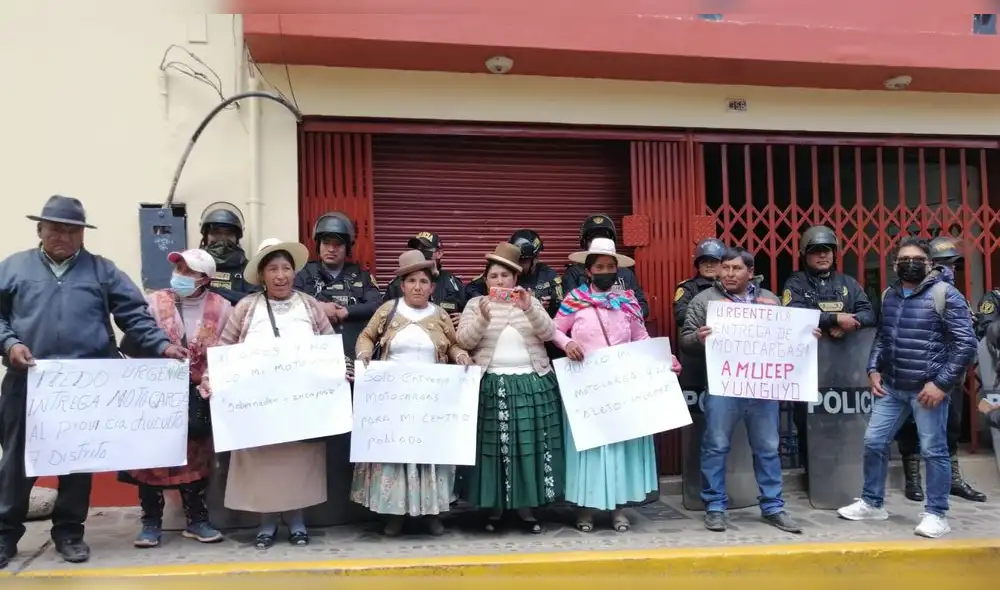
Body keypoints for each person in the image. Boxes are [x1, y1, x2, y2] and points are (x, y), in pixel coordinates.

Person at [0, 196, 187, 569]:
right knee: (17, 463)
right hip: (28, 381)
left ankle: (69, 533)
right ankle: (4, 536)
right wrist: (9, 344)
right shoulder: (13, 268)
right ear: (40, 230)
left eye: (72, 230)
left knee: (77, 462)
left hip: (85, 388)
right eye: (55, 229)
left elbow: (134, 314)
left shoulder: (102, 271)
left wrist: (162, 345)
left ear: (83, 234)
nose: (63, 236)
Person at [200, 238, 350, 550]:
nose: (280, 275)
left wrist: (343, 369)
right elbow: (225, 348)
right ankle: (266, 523)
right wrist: (210, 378)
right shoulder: (246, 307)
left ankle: (297, 522)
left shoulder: (309, 306)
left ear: (294, 272)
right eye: (273, 269)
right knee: (262, 465)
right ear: (262, 275)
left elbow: (329, 346)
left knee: (298, 463)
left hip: (301, 405)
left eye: (286, 268)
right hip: (259, 406)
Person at [838, 236, 977, 539]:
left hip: (927, 390)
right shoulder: (890, 294)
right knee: (874, 441)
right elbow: (883, 337)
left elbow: (966, 345)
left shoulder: (945, 294)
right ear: (895, 264)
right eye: (903, 260)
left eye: (916, 259)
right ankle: (872, 503)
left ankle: (937, 514)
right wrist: (873, 368)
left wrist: (941, 384)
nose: (909, 264)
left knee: (934, 451)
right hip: (893, 387)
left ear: (929, 263)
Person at [680, 247, 809, 534]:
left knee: (768, 448)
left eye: (736, 268)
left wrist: (805, 335)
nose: (728, 274)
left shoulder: (770, 300)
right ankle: (715, 507)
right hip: (723, 386)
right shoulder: (705, 301)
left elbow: (787, 337)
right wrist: (697, 338)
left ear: (750, 272)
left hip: (762, 388)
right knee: (715, 446)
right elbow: (685, 340)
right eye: (724, 268)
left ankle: (773, 506)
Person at [552, 238, 678, 533]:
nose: (605, 271)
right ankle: (586, 509)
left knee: (621, 447)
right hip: (587, 387)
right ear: (589, 271)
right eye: (599, 267)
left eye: (610, 266)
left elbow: (641, 338)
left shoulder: (628, 303)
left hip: (621, 387)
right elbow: (553, 329)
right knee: (590, 448)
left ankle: (619, 509)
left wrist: (664, 358)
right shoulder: (574, 300)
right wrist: (567, 343)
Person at [352, 250, 474, 536]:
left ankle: (431, 514)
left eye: (423, 281)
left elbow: (454, 344)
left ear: (432, 287)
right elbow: (367, 336)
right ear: (402, 285)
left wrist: (460, 356)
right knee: (397, 454)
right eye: (411, 281)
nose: (417, 287)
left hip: (430, 402)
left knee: (429, 454)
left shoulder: (440, 314)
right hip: (394, 402)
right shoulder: (388, 310)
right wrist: (364, 354)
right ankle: (395, 515)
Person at [118, 249, 231, 548]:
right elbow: (135, 339)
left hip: (196, 394)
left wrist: (212, 378)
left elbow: (229, 350)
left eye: (189, 271)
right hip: (155, 393)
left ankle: (196, 519)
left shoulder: (222, 308)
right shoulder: (154, 302)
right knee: (150, 457)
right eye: (179, 269)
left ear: (205, 278)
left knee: (195, 457)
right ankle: (150, 521)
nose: (181, 275)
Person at [456, 243, 562, 534]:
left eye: (505, 275)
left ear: (515, 278)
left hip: (531, 382)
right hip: (491, 383)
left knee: (527, 449)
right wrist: (483, 318)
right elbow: (463, 341)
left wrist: (529, 308)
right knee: (495, 450)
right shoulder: (476, 304)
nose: (500, 281)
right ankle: (495, 508)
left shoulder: (530, 301)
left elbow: (549, 333)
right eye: (494, 276)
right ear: (486, 280)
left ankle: (526, 508)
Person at [894, 236, 985, 503]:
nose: (949, 270)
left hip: (949, 374)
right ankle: (913, 477)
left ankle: (953, 479)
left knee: (951, 426)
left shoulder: (953, 294)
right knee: (911, 425)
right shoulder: (910, 293)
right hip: (918, 373)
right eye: (944, 264)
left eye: (953, 265)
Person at [780, 225, 875, 473]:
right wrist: (833, 319)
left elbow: (868, 312)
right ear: (805, 254)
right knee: (807, 419)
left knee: (843, 420)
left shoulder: (848, 283)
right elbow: (794, 313)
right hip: (808, 369)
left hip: (843, 368)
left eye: (827, 250)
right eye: (816, 251)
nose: (823, 255)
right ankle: (812, 472)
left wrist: (850, 324)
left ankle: (840, 471)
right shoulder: (796, 283)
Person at [293, 212, 381, 359]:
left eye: (337, 244)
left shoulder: (361, 276)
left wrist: (347, 311)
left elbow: (377, 305)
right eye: (326, 243)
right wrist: (319, 308)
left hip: (354, 354)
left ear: (347, 248)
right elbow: (290, 304)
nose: (331, 249)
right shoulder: (304, 274)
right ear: (318, 245)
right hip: (313, 355)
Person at [562, 214, 649, 319]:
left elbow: (642, 307)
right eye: (593, 240)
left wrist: (624, 317)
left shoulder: (626, 274)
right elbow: (569, 309)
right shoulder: (574, 273)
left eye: (604, 238)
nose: (600, 243)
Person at [465, 230, 564, 317]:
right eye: (515, 260)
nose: (518, 265)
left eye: (523, 261)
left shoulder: (548, 275)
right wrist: (487, 302)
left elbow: (561, 307)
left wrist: (551, 304)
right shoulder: (503, 273)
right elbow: (471, 288)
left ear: (534, 260)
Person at [674, 238, 726, 391]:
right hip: (696, 354)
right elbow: (680, 315)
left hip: (724, 354)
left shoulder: (731, 287)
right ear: (698, 265)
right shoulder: (688, 287)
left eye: (714, 261)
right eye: (704, 262)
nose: (709, 265)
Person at [382, 232, 466, 326]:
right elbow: (383, 317)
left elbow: (470, 311)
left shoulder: (453, 284)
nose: (419, 254)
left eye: (425, 250)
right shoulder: (397, 285)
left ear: (439, 253)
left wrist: (465, 318)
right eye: (416, 250)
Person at [198, 203, 257, 305]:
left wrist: (216, 292)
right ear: (205, 236)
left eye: (229, 233)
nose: (222, 238)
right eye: (216, 232)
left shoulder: (249, 269)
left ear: (237, 238)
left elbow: (256, 302)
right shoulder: (194, 265)